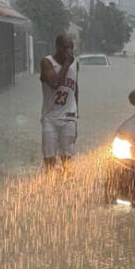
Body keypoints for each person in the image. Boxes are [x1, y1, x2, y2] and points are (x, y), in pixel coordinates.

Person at [39, 34, 79, 170]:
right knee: (49, 161)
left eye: (72, 48)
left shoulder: (75, 64)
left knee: (67, 160)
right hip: (50, 118)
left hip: (69, 118)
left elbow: (76, 89)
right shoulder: (46, 62)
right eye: (66, 47)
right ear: (57, 47)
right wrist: (67, 63)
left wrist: (76, 117)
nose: (70, 51)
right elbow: (54, 83)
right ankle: (49, 187)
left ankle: (65, 186)